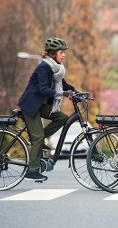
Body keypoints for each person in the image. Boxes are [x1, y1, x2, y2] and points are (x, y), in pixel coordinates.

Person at [18, 37, 76, 182]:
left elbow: (64, 85)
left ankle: (39, 138)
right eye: (61, 52)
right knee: (37, 138)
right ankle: (32, 170)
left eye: (64, 52)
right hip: (31, 106)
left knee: (62, 118)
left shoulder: (57, 69)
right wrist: (62, 93)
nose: (64, 55)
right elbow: (44, 89)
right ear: (52, 53)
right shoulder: (43, 67)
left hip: (40, 105)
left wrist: (77, 92)